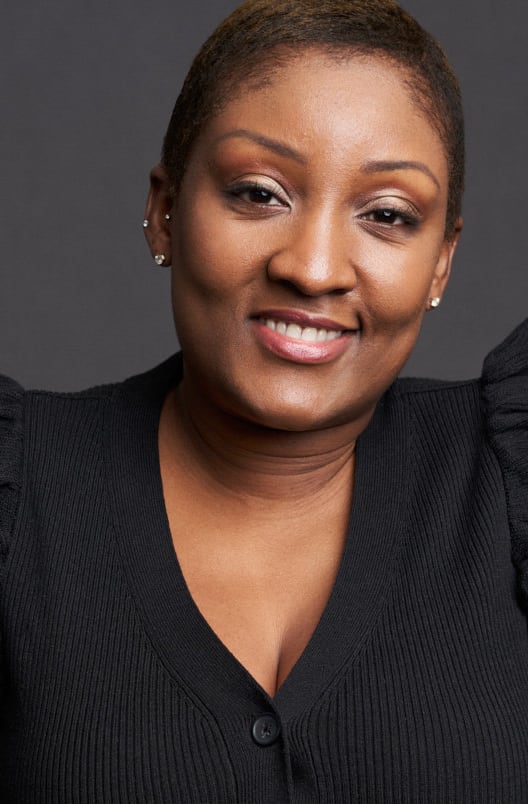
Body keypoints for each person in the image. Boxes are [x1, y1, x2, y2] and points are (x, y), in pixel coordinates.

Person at [1, 0, 527, 800]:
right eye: (258, 193)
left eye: (387, 215)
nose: (313, 268)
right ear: (164, 211)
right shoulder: (21, 495)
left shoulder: (507, 480)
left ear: (441, 265)